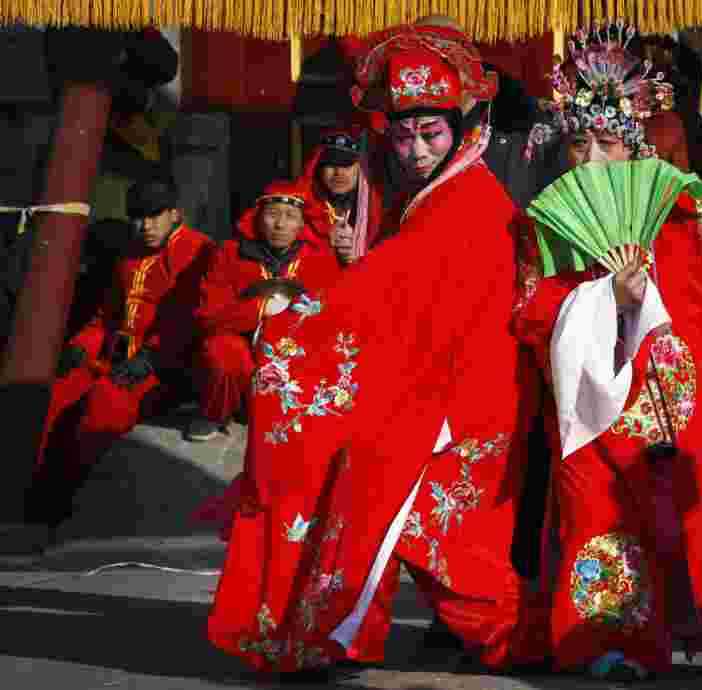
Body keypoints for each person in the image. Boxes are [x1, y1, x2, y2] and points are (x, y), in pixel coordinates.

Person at [207, 24, 547, 679]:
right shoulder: (435, 194)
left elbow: (382, 289)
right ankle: (341, 636)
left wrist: (291, 328)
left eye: (430, 133)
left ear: (463, 125)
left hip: (465, 397)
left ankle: (522, 639)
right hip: (437, 381)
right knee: (410, 524)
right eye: (402, 134)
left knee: (428, 532)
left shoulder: (469, 202)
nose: (416, 150)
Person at [512, 21, 702, 680]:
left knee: (678, 516)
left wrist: (697, 330)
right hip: (587, 390)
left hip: (673, 391)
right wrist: (599, 299)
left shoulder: (681, 206)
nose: (589, 161)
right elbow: (527, 313)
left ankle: (686, 629)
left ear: (634, 146)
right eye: (577, 143)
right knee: (595, 515)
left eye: (607, 144)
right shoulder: (545, 224)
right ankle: (605, 643)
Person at [25, 176, 213, 526]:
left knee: (104, 403)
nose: (146, 225)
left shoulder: (196, 250)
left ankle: (71, 508)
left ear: (175, 213)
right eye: (139, 216)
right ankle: (36, 498)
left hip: (165, 369)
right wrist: (80, 347)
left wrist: (154, 357)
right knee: (59, 393)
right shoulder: (129, 251)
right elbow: (105, 316)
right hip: (116, 358)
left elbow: (193, 320)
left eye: (156, 215)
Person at [187, 182, 344, 442]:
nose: (280, 225)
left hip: (295, 346)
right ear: (258, 218)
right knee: (221, 351)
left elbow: (333, 314)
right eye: (272, 215)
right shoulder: (229, 254)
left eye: (290, 216)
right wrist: (260, 308)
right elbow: (209, 315)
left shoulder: (320, 257)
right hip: (243, 344)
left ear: (302, 224)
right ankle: (215, 412)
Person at [294, 127, 387, 265]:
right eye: (331, 165)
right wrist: (325, 245)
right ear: (317, 169)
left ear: (360, 169)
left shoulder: (378, 210)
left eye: (347, 165)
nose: (339, 173)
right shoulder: (299, 209)